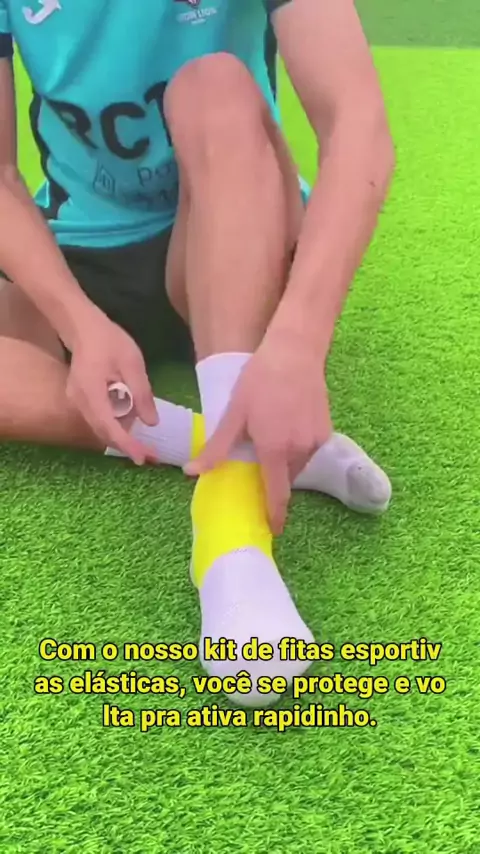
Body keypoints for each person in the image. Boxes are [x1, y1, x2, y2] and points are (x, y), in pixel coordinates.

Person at [0, 0, 395, 703]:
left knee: (214, 83)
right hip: (83, 252)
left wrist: (299, 344)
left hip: (233, 224)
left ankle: (231, 532)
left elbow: (356, 121)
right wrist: (80, 325)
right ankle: (220, 435)